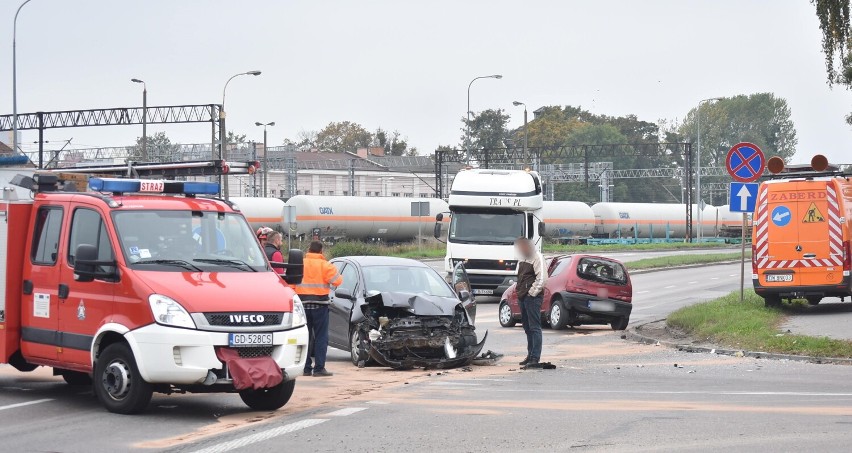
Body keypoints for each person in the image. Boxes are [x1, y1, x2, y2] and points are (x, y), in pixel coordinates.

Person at [295, 241, 343, 377]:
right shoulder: (325, 265)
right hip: (320, 305)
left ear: (309, 250)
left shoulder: (300, 264)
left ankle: (305, 368)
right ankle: (319, 368)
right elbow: (338, 281)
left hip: (303, 305)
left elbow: (290, 282)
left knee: (305, 336)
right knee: (321, 336)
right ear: (321, 251)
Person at [515, 237, 547, 368]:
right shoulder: (522, 259)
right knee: (527, 327)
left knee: (534, 327)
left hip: (532, 298)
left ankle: (535, 357)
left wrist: (531, 293)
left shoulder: (537, 257)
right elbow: (520, 277)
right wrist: (520, 292)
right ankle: (530, 355)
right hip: (523, 297)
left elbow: (542, 278)